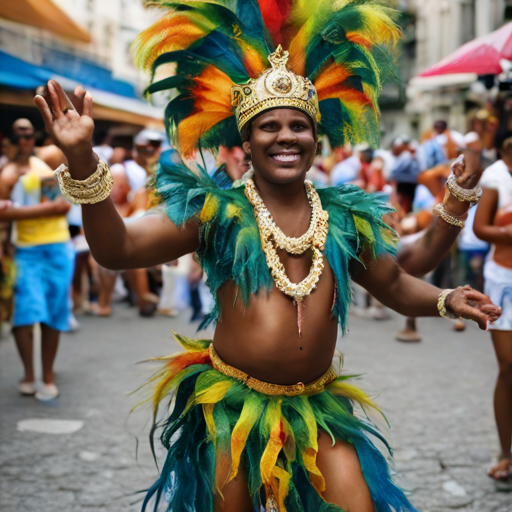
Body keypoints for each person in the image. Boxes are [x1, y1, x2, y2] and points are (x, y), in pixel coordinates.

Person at [35, 1, 500, 510]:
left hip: (315, 405)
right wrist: (82, 162)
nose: (285, 136)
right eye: (268, 127)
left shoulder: (341, 219)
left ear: (316, 139)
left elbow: (397, 280)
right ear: (247, 142)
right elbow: (117, 248)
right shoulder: (214, 211)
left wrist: (446, 294)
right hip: (231, 405)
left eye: (298, 126)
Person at [0, 118, 73, 401]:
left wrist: (12, 211)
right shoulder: (5, 173)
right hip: (24, 251)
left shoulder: (47, 161)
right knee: (25, 314)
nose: (24, 140)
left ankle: (48, 376)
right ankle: (29, 374)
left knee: (53, 314)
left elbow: (61, 208)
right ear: (8, 139)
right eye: (18, 135)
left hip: (56, 247)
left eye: (29, 134)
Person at [474, 131, 512, 489]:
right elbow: (480, 228)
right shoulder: (496, 177)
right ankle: (506, 453)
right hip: (506, 281)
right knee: (508, 368)